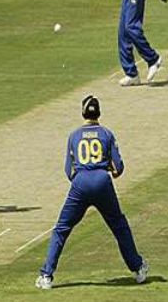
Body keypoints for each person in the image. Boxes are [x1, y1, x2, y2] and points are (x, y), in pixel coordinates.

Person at [35, 96, 148, 290]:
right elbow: (118, 167)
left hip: (80, 183)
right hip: (103, 181)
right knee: (119, 225)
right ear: (99, 113)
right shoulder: (106, 133)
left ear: (83, 113)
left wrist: (81, 184)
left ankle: (46, 276)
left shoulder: (74, 135)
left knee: (62, 229)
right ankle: (138, 269)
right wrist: (108, 173)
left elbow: (69, 171)